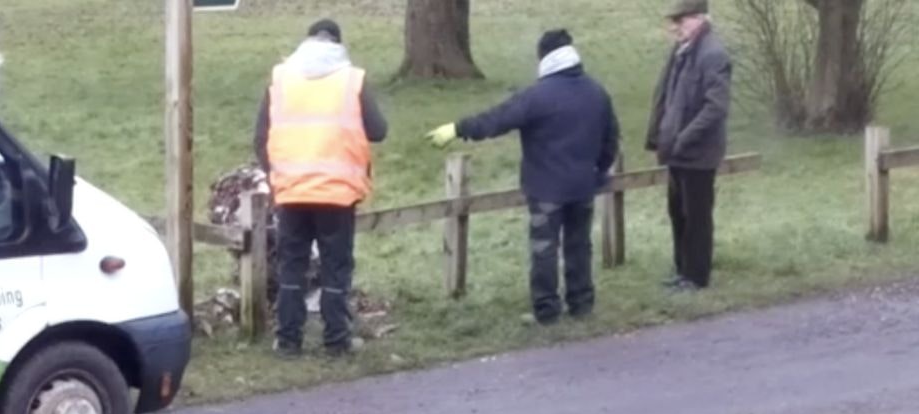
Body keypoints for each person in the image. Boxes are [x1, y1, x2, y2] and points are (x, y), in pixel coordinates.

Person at [426, 29, 620, 325]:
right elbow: (611, 141)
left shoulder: (537, 96)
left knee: (544, 249)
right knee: (579, 245)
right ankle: (581, 303)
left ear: (544, 58)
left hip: (546, 189)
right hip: (582, 187)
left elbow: (497, 119)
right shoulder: (596, 92)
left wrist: (458, 128)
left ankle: (547, 309)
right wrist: (596, 172)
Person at [253, 19, 387, 357]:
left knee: (291, 267)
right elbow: (378, 130)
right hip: (337, 193)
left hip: (291, 190)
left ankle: (287, 341)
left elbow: (260, 138)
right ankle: (336, 341)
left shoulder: (280, 78)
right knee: (335, 268)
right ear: (338, 44)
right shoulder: (352, 79)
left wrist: (276, 175)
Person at [645, 0, 732, 291]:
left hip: (698, 153)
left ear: (698, 19)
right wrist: (660, 137)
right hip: (677, 153)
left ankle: (697, 277)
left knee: (697, 217)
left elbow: (715, 107)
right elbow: (666, 97)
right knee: (678, 213)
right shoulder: (682, 53)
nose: (675, 27)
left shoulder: (713, 54)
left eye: (680, 21)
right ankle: (682, 271)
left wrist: (683, 138)